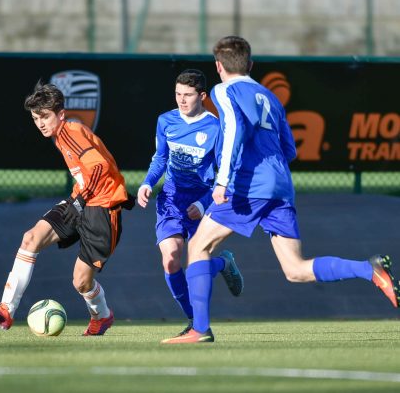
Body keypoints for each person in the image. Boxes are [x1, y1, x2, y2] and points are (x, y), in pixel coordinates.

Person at [161, 36, 400, 344]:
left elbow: (234, 130)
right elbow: (289, 149)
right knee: (295, 269)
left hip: (249, 185)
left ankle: (199, 329)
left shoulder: (224, 90)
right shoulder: (269, 96)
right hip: (281, 186)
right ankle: (369, 269)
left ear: (219, 66)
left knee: (198, 248)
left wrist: (222, 181)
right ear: (251, 65)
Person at [0, 81, 135, 336]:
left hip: (102, 208)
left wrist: (81, 202)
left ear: (60, 114)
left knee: (81, 282)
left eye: (45, 116)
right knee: (31, 238)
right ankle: (6, 310)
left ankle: (102, 316)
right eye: (35, 117)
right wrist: (78, 200)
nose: (40, 122)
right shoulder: (60, 135)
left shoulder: (71, 131)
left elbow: (99, 168)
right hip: (80, 200)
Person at [137, 69, 244, 337]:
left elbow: (225, 174)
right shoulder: (165, 121)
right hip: (171, 199)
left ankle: (223, 264)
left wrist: (205, 202)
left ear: (202, 96)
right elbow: (160, 158)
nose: (181, 100)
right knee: (171, 259)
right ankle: (194, 321)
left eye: (187, 95)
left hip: (200, 201)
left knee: (196, 262)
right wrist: (148, 182)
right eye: (177, 94)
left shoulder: (215, 127)